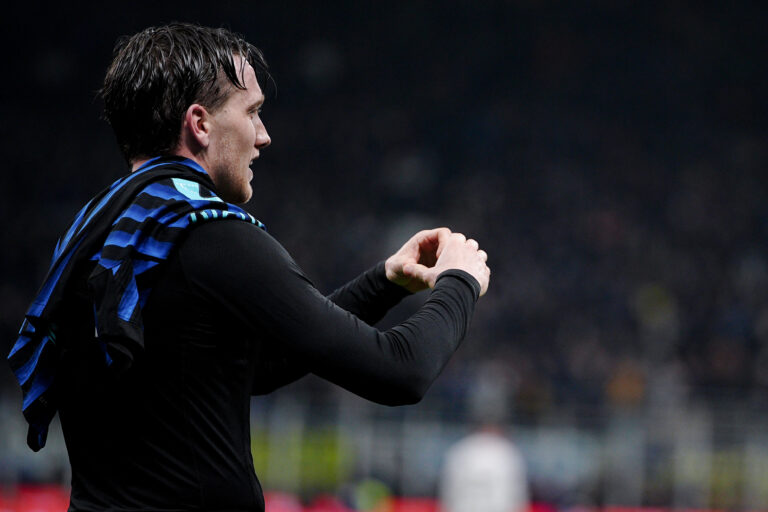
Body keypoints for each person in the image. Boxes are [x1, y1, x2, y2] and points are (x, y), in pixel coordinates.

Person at [8, 23, 490, 511]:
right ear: (200, 124)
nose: (264, 136)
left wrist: (384, 282)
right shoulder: (211, 233)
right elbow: (399, 371)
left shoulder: (99, 228)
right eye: (253, 112)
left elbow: (252, 369)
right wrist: (460, 282)